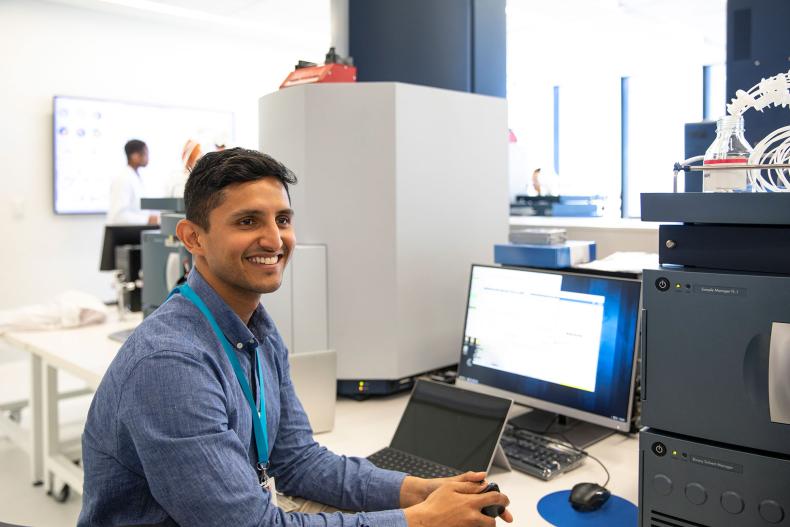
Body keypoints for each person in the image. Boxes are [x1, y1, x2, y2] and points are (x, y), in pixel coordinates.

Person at [79, 148, 513, 527]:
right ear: (194, 238)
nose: (274, 239)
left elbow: (299, 461)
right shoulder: (170, 364)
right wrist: (420, 521)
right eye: (248, 221)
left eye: (282, 219)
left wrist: (424, 492)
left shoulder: (257, 332)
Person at [107, 139, 158, 224]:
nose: (148, 157)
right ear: (134, 156)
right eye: (145, 153)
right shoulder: (123, 179)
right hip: (121, 235)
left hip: (132, 233)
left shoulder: (135, 177)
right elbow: (119, 216)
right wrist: (147, 219)